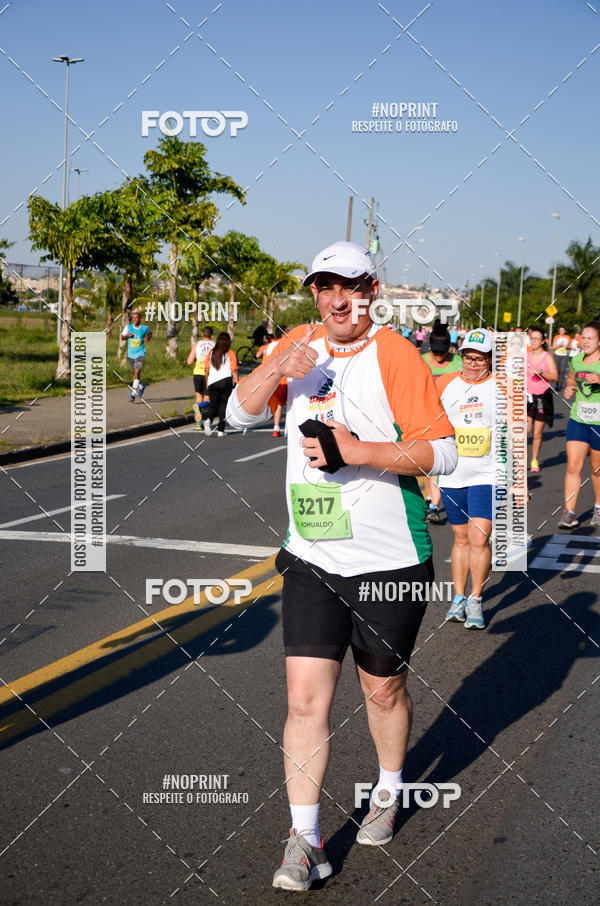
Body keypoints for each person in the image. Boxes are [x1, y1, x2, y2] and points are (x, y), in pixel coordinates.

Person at [225, 240, 457, 891]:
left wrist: (359, 452)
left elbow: (441, 455)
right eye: (325, 286)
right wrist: (275, 371)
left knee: (381, 688)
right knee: (304, 702)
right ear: (315, 292)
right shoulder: (297, 343)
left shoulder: (397, 356)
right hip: (312, 557)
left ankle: (388, 786)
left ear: (371, 290)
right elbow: (237, 416)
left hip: (390, 559)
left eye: (349, 286)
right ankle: (305, 840)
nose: (336, 298)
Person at [436, 328, 496, 630]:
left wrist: (516, 481)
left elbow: (516, 433)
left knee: (479, 537)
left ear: (490, 359)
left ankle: (475, 598)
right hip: (454, 473)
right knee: (460, 538)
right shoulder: (446, 385)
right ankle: (458, 597)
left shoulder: (502, 387)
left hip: (487, 473)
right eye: (468, 358)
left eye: (480, 359)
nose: (473, 364)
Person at [560, 321, 600, 528]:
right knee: (573, 465)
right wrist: (568, 390)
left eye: (590, 338)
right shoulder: (576, 360)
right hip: (579, 419)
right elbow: (571, 381)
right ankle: (569, 512)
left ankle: (599, 508)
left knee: (596, 468)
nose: (584, 341)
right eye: (583, 337)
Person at [421, 321, 462, 523]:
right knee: (431, 465)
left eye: (442, 352)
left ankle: (433, 504)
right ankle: (431, 502)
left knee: (445, 463)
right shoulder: (419, 361)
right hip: (425, 418)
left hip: (453, 420)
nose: (439, 357)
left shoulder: (458, 363)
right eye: (436, 353)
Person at [526, 327, 558, 472]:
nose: (534, 341)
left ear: (543, 341)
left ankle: (534, 459)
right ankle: (520, 459)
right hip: (526, 396)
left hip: (542, 397)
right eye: (532, 338)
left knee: (537, 433)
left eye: (537, 338)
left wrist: (542, 372)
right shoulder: (524, 356)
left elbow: (555, 377)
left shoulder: (547, 357)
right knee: (524, 430)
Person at [202, 332, 238, 436]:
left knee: (213, 404)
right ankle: (221, 430)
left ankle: (208, 420)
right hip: (225, 381)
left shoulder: (211, 353)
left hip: (212, 381)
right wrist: (237, 382)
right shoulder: (230, 353)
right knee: (223, 405)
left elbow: (206, 369)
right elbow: (234, 369)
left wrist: (207, 382)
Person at [187, 326, 215, 430]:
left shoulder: (197, 345)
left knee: (199, 397)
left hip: (197, 373)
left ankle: (199, 423)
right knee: (208, 399)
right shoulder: (215, 345)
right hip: (209, 373)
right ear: (212, 336)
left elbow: (189, 361)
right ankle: (202, 415)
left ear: (202, 334)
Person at [121, 308, 152, 401]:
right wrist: (127, 336)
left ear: (140, 319)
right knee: (136, 376)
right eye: (133, 318)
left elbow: (150, 333)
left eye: (136, 318)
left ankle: (133, 394)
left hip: (140, 353)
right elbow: (122, 337)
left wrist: (148, 338)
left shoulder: (144, 328)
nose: (134, 319)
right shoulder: (128, 327)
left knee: (136, 373)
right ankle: (141, 386)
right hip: (131, 354)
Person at [552, 326, 571, 391]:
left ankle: (560, 385)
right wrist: (559, 345)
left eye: (562, 330)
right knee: (557, 371)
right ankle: (557, 384)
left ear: (565, 331)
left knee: (563, 371)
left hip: (564, 356)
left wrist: (567, 346)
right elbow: (554, 347)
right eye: (560, 330)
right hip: (557, 355)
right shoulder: (556, 337)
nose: (561, 331)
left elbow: (570, 346)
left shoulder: (568, 337)